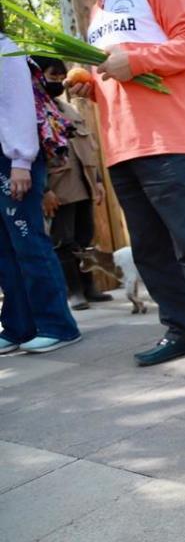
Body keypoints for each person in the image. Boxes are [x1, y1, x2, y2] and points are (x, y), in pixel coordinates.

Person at [68, 0, 185, 372]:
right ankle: (180, 330)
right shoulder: (97, 6)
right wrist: (90, 85)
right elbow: (118, 73)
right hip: (120, 144)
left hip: (167, 139)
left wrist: (135, 60)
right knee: (148, 248)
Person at [0, 33, 81, 354]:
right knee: (5, 249)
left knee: (28, 241)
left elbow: (18, 107)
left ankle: (58, 324)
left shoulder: (7, 52)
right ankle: (19, 325)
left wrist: (21, 161)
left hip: (13, 158)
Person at [34, 56, 112, 312]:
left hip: (83, 184)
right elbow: (34, 155)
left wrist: (97, 181)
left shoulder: (68, 109)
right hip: (59, 187)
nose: (57, 82)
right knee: (63, 241)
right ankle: (74, 292)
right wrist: (44, 189)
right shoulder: (33, 110)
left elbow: (87, 146)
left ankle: (89, 287)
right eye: (51, 77)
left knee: (85, 238)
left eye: (60, 78)